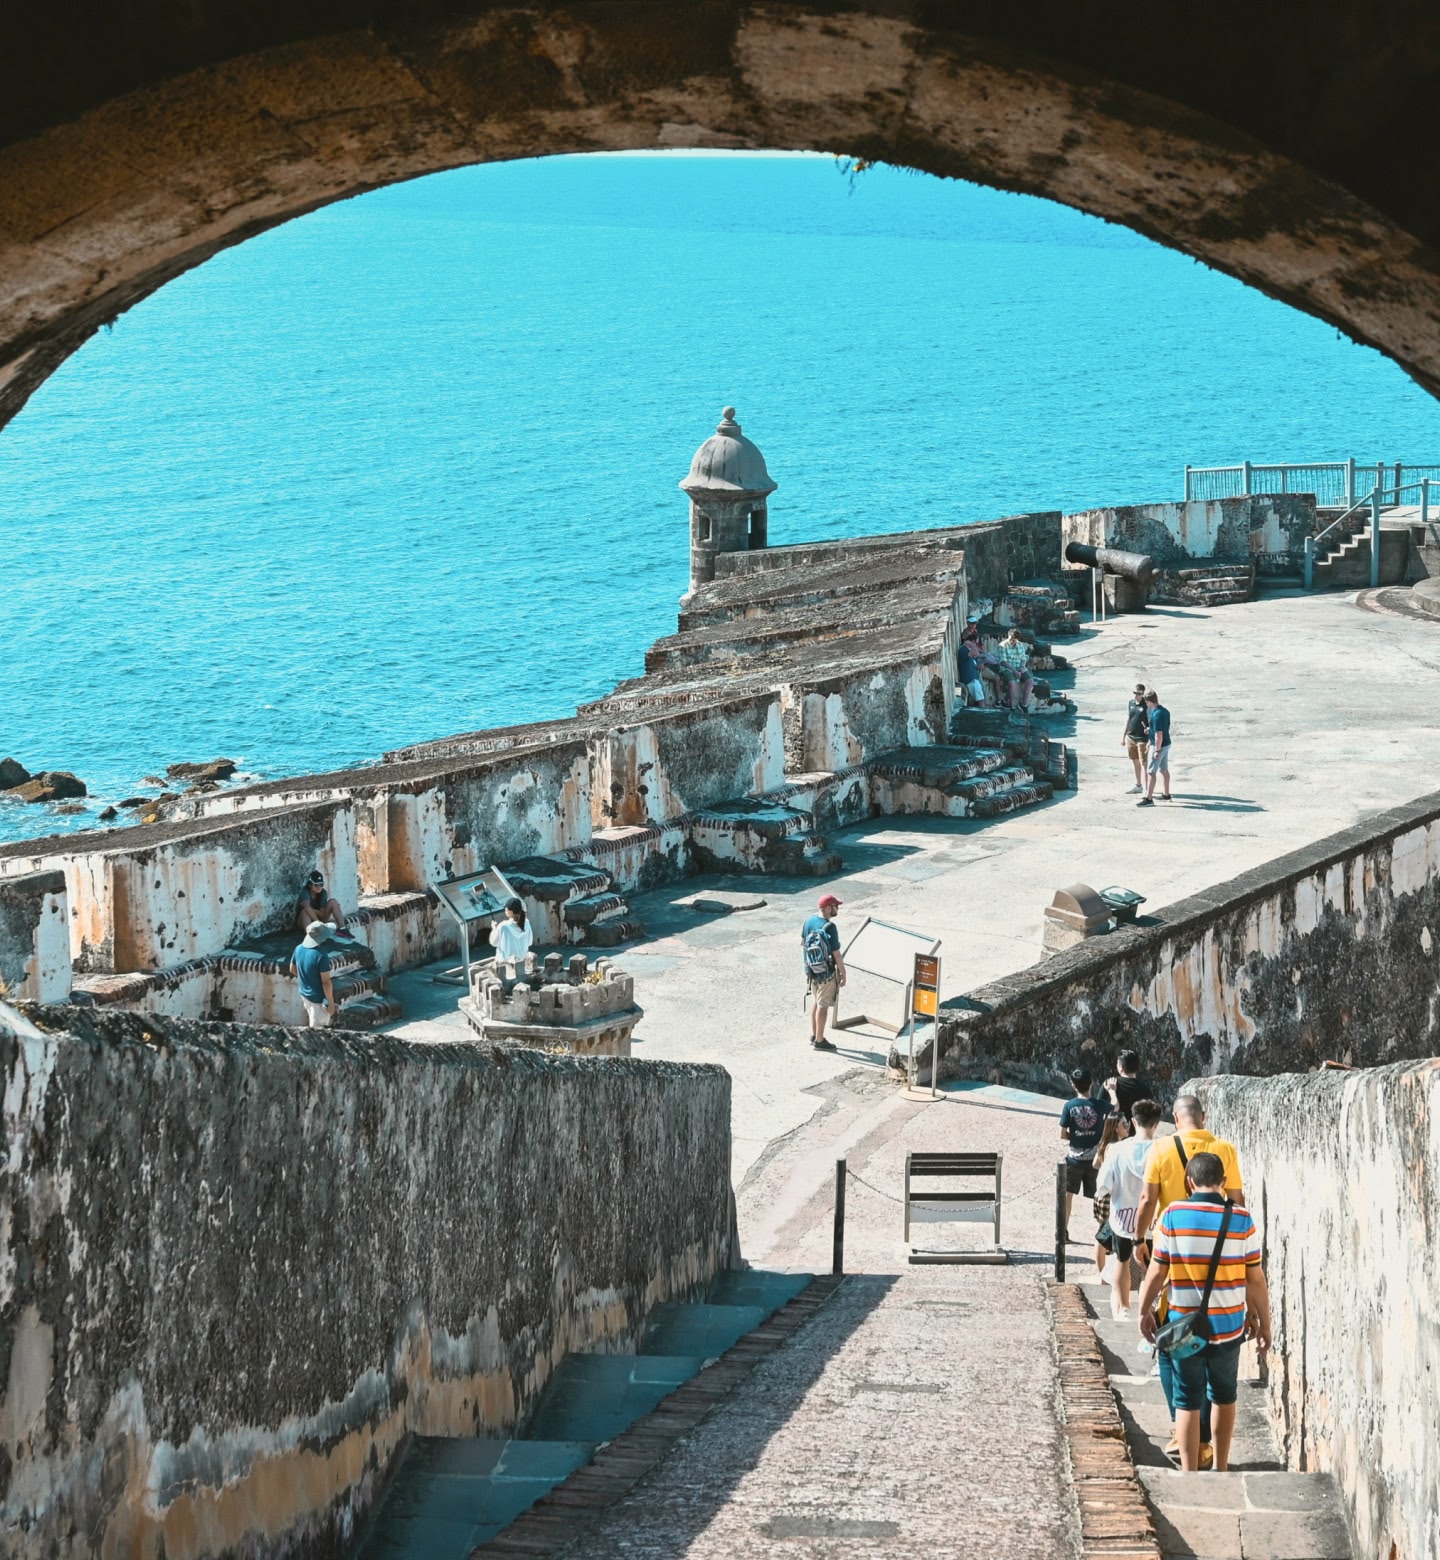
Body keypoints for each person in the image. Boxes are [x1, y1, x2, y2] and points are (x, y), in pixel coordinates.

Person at [1138, 1151, 1272, 1473]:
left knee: (1187, 1399)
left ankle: (1189, 1470)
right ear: (1224, 1183)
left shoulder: (1172, 1215)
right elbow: (1255, 1278)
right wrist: (1263, 1323)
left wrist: (1144, 1311)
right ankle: (1222, 1466)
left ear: (1189, 1182)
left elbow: (1157, 1272)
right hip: (1228, 1326)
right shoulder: (1242, 1219)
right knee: (1224, 1395)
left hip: (1185, 1327)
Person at [1133, 1094, 1245, 1465]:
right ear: (1204, 1116)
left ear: (1175, 1118)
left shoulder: (1161, 1149)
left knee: (1174, 1346)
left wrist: (1138, 1239)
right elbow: (1238, 1200)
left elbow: (1148, 1199)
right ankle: (1209, 1443)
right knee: (1219, 1361)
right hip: (1219, 1266)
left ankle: (1182, 1432)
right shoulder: (1224, 1149)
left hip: (1175, 1258)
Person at [1096, 1098, 1162, 1319]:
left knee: (1122, 1260)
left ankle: (1123, 1308)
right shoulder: (1162, 1149)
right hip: (1152, 1220)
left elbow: (1103, 1185)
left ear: (1134, 1121)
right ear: (1157, 1123)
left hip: (1123, 1217)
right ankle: (1147, 1311)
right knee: (1149, 1267)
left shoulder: (1117, 1149)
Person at [1091, 1113, 1133, 1316]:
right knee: (1104, 1235)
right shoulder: (1115, 1147)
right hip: (1109, 1196)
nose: (1128, 1127)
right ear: (1115, 1128)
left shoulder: (1108, 1145)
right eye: (1124, 1124)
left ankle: (1102, 1273)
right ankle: (1102, 1274)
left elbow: (1095, 1165)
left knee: (1103, 1234)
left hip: (1105, 1195)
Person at [1059, 1069, 1105, 1238]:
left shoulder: (1069, 1106)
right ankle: (1103, 1233)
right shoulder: (1099, 1105)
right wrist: (1113, 1092)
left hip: (1074, 1159)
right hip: (1094, 1160)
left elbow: (1062, 1134)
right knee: (1100, 1196)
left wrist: (1076, 1137)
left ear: (1073, 1085)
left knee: (1067, 1196)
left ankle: (1062, 1230)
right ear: (1091, 1083)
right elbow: (1115, 1106)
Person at [801, 893, 846, 1051]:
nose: (837, 909)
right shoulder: (830, 927)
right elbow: (836, 954)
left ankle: (814, 1035)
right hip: (826, 972)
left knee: (816, 1000)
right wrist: (843, 973)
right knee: (823, 1004)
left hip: (811, 970)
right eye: (835, 906)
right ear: (828, 908)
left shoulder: (808, 921)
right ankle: (820, 1040)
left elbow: (803, 943)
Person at [289, 920, 337, 1027]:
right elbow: (326, 982)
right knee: (318, 1033)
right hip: (319, 1000)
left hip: (305, 995)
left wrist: (307, 979)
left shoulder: (298, 949)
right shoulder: (321, 955)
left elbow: (292, 969)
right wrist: (331, 1003)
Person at [1137, 690, 1173, 805]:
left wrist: (1157, 750)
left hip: (1159, 745)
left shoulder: (1156, 714)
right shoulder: (1165, 711)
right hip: (1166, 743)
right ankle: (1166, 794)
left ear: (1149, 702)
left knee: (1151, 772)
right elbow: (1162, 729)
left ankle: (1148, 798)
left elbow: (1159, 734)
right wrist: (1150, 730)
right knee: (1163, 769)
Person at [296, 870, 351, 936]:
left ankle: (343, 929)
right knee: (305, 911)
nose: (319, 887)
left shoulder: (323, 893)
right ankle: (311, 935)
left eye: (321, 884)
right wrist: (318, 923)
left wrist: (312, 911)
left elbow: (322, 914)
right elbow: (307, 909)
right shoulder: (305, 892)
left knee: (333, 901)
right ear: (310, 885)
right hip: (304, 922)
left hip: (319, 920)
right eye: (316, 885)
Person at [1104, 1049, 1154, 1122]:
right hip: (1137, 1132)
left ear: (1121, 1067)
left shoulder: (1109, 1084)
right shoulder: (1146, 1090)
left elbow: (1098, 1111)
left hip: (1115, 1132)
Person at [996, 628, 1035, 712]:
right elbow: (1003, 662)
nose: (1012, 641)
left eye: (1014, 639)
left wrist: (1022, 667)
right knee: (1012, 683)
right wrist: (1015, 671)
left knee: (1030, 681)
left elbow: (1023, 658)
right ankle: (1012, 706)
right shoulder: (1002, 646)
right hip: (1007, 668)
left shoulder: (1020, 645)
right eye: (1011, 639)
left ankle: (1024, 704)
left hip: (1019, 667)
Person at [1123, 684, 1151, 793]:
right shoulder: (1131, 703)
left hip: (1142, 738)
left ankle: (1147, 788)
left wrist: (1150, 736)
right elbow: (1129, 719)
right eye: (1134, 693)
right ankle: (1138, 785)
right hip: (1131, 736)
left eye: (1139, 694)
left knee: (1144, 763)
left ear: (1143, 694)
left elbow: (1150, 721)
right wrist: (1124, 735)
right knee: (1135, 762)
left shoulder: (1147, 706)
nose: (1136, 696)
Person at [489, 897, 533, 963]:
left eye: (506, 909)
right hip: (522, 963)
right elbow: (529, 942)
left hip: (505, 964)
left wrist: (494, 929)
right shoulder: (526, 922)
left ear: (511, 912)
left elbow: (493, 942)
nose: (505, 910)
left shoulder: (503, 926)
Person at [957, 631, 987, 707]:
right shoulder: (963, 650)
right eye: (975, 643)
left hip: (974, 678)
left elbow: (973, 662)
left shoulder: (969, 652)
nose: (976, 645)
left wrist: (978, 666)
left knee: (982, 699)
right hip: (970, 680)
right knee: (981, 700)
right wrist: (971, 644)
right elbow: (976, 653)